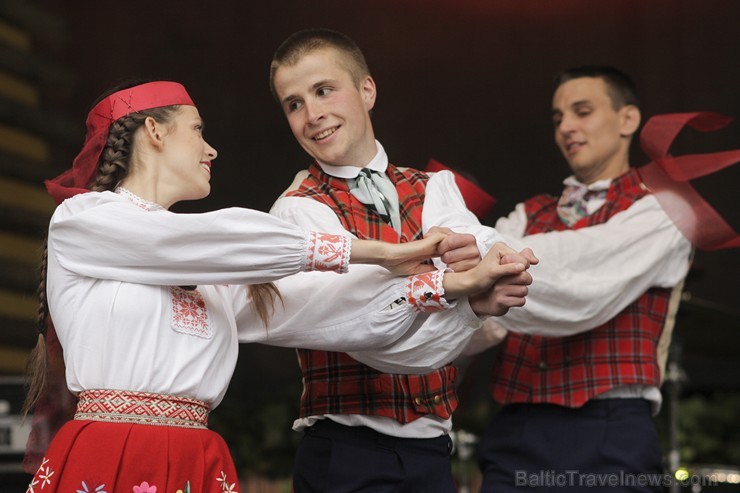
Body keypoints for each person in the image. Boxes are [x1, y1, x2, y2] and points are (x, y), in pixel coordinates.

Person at [22, 80, 530, 493]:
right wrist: (388, 251)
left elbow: (327, 311)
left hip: (197, 455)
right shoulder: (83, 221)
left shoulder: (217, 265)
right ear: (154, 130)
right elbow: (213, 238)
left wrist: (455, 289)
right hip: (113, 452)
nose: (211, 147)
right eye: (198, 131)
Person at [267, 28, 536, 493]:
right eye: (294, 104)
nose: (312, 115)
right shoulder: (298, 209)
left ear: (366, 90)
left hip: (432, 450)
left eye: (324, 90)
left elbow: (480, 243)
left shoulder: (435, 187)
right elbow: (359, 319)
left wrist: (497, 267)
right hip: (346, 450)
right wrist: (466, 289)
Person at [468, 66, 694, 492]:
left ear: (628, 119)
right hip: (517, 428)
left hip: (608, 431)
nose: (566, 127)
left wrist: (472, 255)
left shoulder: (666, 207)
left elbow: (581, 285)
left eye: (582, 111)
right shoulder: (526, 214)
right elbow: (478, 318)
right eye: (558, 119)